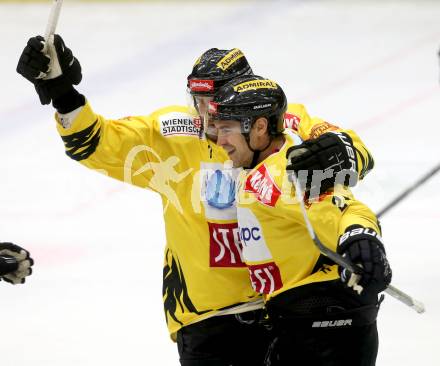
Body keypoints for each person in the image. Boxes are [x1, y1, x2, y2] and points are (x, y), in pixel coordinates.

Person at [17, 35, 375, 365]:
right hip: (209, 322)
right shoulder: (173, 133)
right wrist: (63, 92)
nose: (206, 115)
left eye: (213, 103)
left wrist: (343, 152)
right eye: (198, 102)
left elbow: (353, 155)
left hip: (284, 313)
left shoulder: (282, 120)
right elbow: (94, 142)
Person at [208, 74, 392, 365]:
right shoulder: (263, 167)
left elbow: (340, 209)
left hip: (322, 330)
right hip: (308, 326)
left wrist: (360, 238)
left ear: (259, 128)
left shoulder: (279, 174)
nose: (221, 141)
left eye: (227, 129)